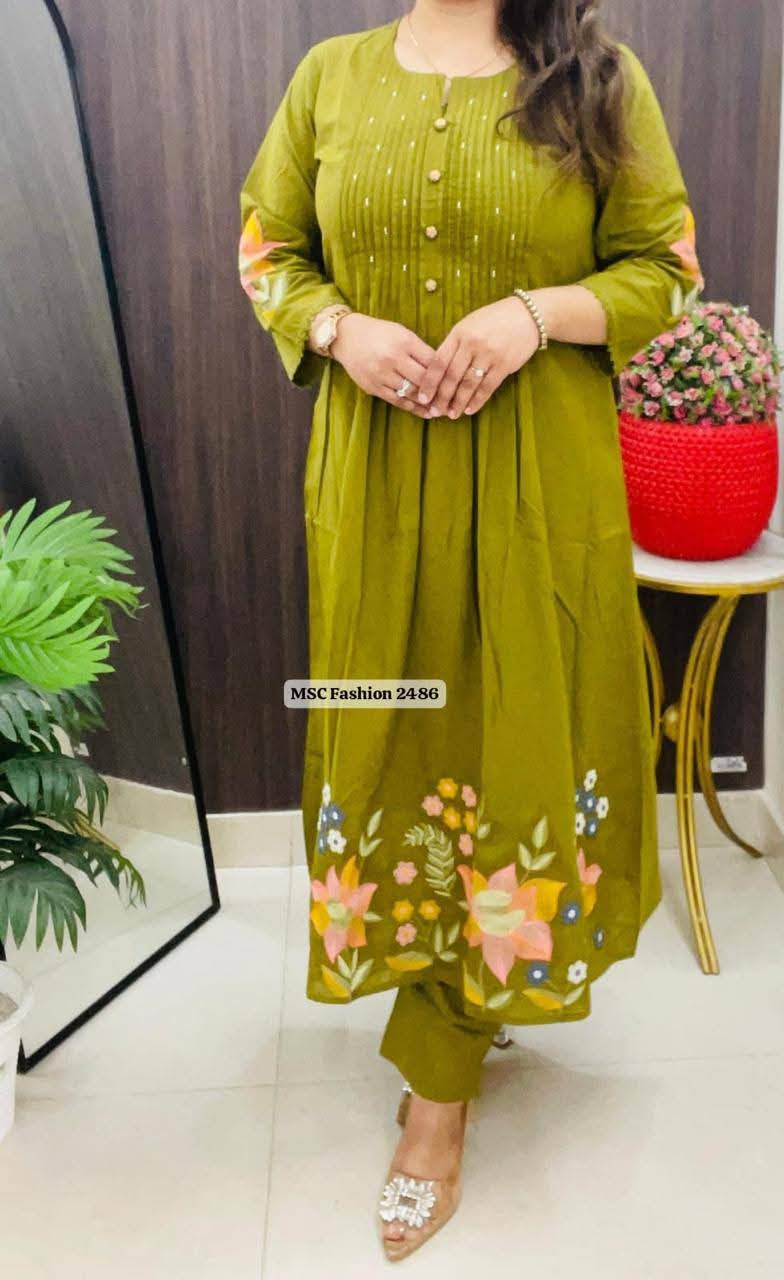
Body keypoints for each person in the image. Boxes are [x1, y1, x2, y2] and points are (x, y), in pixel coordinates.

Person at [238, 0, 703, 1262]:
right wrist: (338, 329)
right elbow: (267, 245)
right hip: (377, 486)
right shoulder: (329, 77)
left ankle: (437, 1089)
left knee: (513, 741)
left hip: (537, 484)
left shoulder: (594, 76)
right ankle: (447, 1006)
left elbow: (667, 268)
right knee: (394, 740)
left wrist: (531, 315)